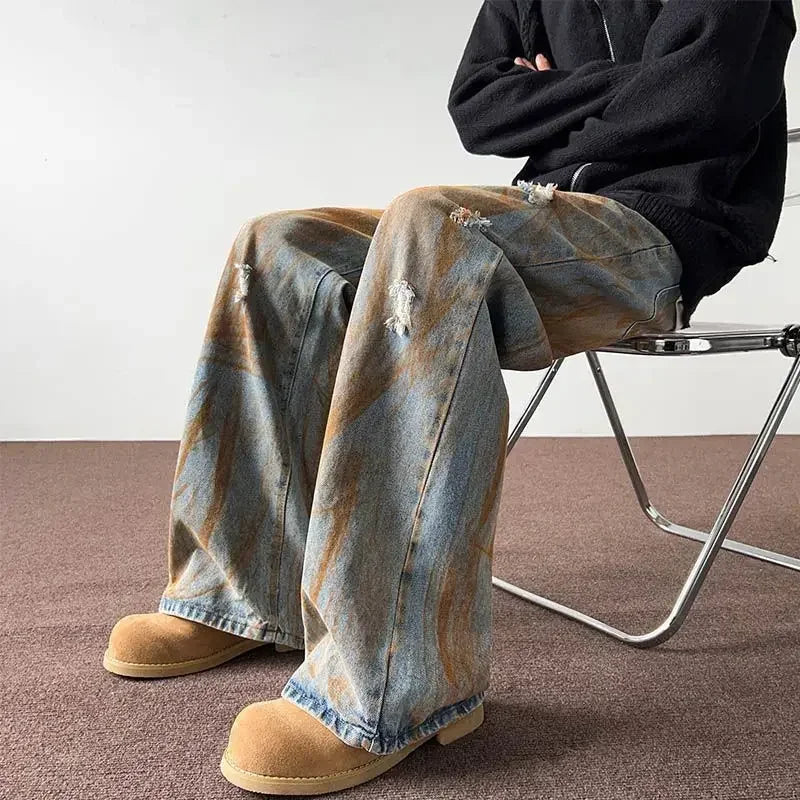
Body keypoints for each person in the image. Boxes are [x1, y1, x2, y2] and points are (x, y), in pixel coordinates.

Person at [102, 1, 795, 794]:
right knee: (280, 243)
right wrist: (637, 85)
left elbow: (705, 102)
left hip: (663, 231)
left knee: (433, 225)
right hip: (541, 213)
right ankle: (239, 591)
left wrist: (552, 103)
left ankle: (396, 680)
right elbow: (477, 108)